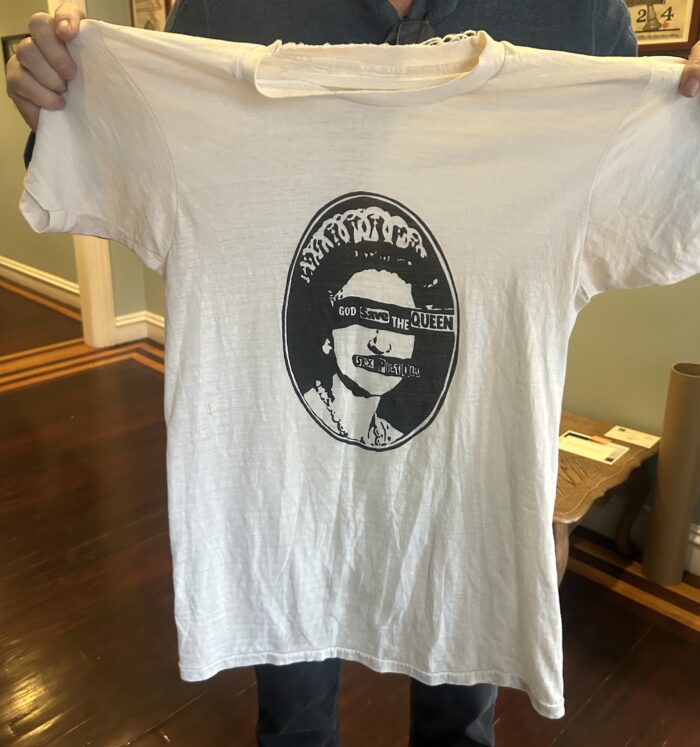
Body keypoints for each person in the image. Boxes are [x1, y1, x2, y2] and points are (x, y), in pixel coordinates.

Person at [6, 3, 700, 745]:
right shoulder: (215, 12)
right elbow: (92, 157)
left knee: (460, 715)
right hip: (280, 514)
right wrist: (63, 106)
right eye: (363, 313)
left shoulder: (582, 19)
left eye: (399, 320)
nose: (382, 336)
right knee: (295, 722)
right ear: (330, 325)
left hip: (465, 501)